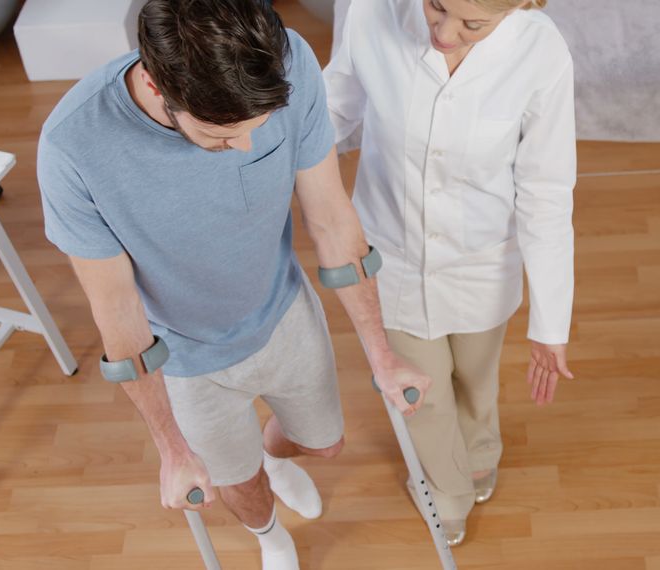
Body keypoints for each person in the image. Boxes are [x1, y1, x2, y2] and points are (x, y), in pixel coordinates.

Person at [36, 1, 431, 568]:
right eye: (221, 137)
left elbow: (331, 218)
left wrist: (382, 356)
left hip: (282, 309)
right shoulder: (74, 148)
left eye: (257, 131)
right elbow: (118, 314)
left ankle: (274, 458)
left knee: (325, 444)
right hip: (186, 356)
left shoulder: (287, 60)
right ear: (154, 82)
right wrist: (170, 448)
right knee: (237, 486)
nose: (245, 148)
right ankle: (271, 537)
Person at [324, 0, 576, 545]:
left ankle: (481, 451)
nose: (442, 35)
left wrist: (550, 324)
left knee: (474, 376)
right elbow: (333, 109)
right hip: (390, 253)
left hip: (482, 261)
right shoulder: (374, 13)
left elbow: (546, 192)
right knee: (425, 395)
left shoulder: (541, 50)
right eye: (436, 7)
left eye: (471, 25)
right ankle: (447, 489)